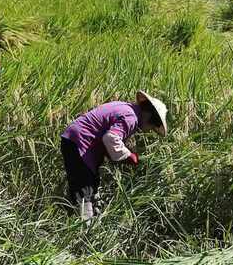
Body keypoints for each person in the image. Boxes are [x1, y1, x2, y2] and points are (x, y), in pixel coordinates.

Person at [60, 91, 168, 225]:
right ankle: (84, 231)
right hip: (80, 143)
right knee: (84, 190)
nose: (149, 130)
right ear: (150, 117)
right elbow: (110, 138)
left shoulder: (124, 107)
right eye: (152, 126)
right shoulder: (132, 118)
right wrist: (129, 156)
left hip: (74, 141)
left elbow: (104, 135)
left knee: (89, 185)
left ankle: (83, 223)